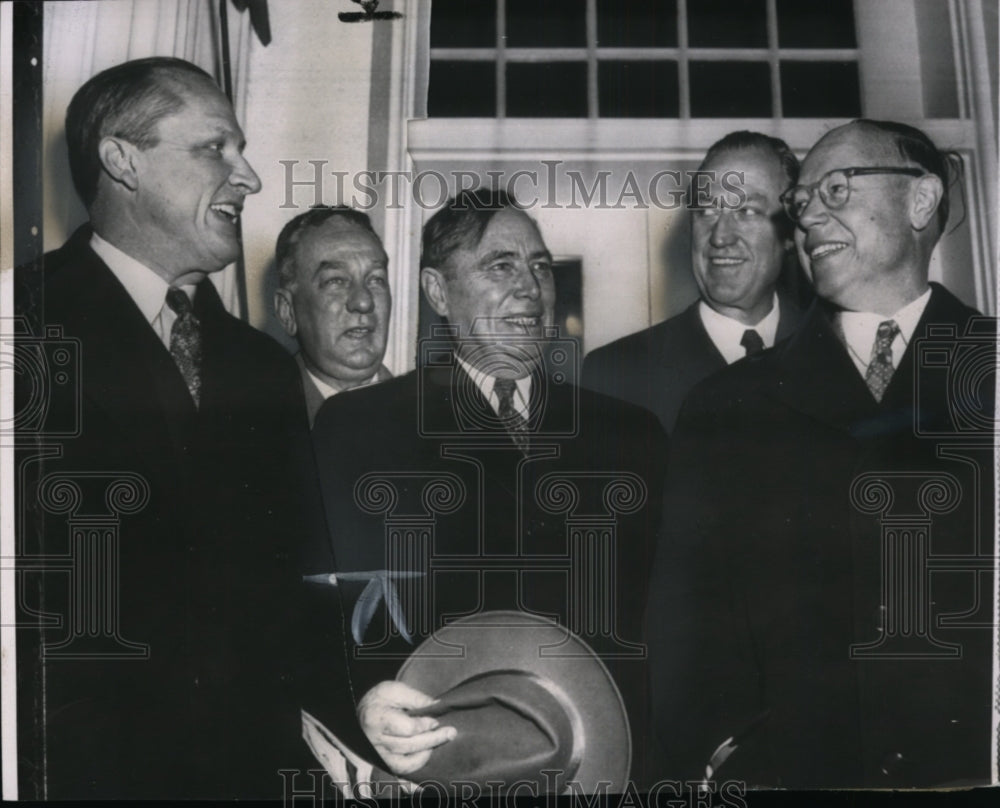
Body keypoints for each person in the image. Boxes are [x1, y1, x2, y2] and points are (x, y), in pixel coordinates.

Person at [14, 57, 369, 799]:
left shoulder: (264, 367)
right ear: (121, 160)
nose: (250, 178)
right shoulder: (20, 328)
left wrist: (359, 713)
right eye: (216, 148)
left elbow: (296, 594)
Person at [648, 120, 996, 788]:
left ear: (921, 202)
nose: (808, 217)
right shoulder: (728, 402)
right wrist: (718, 756)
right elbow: (686, 623)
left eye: (835, 189)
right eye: (802, 202)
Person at [311, 189, 667, 789]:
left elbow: (663, 621)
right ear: (437, 293)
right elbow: (322, 606)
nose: (530, 287)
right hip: (437, 765)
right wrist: (359, 707)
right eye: (500, 266)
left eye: (539, 267)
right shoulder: (361, 427)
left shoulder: (629, 433)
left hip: (602, 765)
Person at [581, 132, 804, 433]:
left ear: (791, 232)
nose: (720, 236)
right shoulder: (617, 373)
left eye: (746, 211)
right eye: (707, 211)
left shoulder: (840, 353)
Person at [274, 206, 393, 426]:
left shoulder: (432, 421)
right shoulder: (256, 424)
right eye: (336, 281)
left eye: (376, 279)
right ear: (287, 312)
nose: (364, 302)